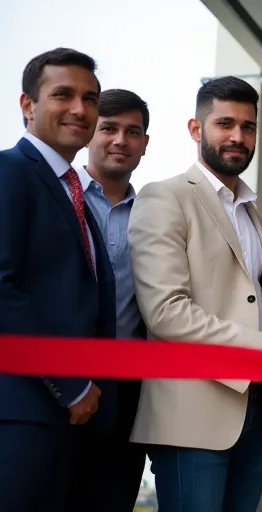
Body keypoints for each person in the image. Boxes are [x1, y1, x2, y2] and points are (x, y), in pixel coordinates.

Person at [127, 76, 262, 512]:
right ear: (195, 128)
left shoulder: (249, 209)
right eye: (225, 123)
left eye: (248, 127)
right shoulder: (164, 196)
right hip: (192, 416)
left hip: (255, 412)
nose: (238, 137)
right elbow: (166, 311)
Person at [0, 47, 118, 512]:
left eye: (90, 99)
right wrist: (69, 384)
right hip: (21, 413)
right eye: (63, 95)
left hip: (71, 420)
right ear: (27, 105)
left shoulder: (76, 193)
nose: (79, 109)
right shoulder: (9, 172)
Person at [66, 88, 151, 510]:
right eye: (109, 128)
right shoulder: (61, 197)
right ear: (89, 133)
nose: (121, 140)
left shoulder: (155, 213)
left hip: (131, 389)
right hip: (60, 381)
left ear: (145, 144)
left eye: (132, 131)